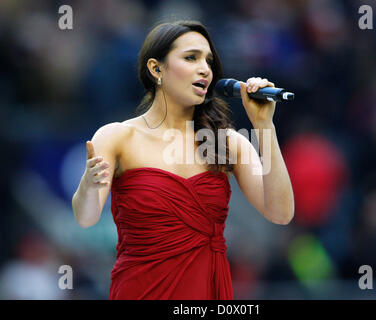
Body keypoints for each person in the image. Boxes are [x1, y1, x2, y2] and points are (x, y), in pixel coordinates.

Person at [72, 20, 294, 300]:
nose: (205, 69)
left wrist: (264, 126)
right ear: (156, 69)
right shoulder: (117, 136)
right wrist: (89, 185)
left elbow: (281, 213)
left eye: (208, 61)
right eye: (191, 58)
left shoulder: (227, 142)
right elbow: (86, 218)